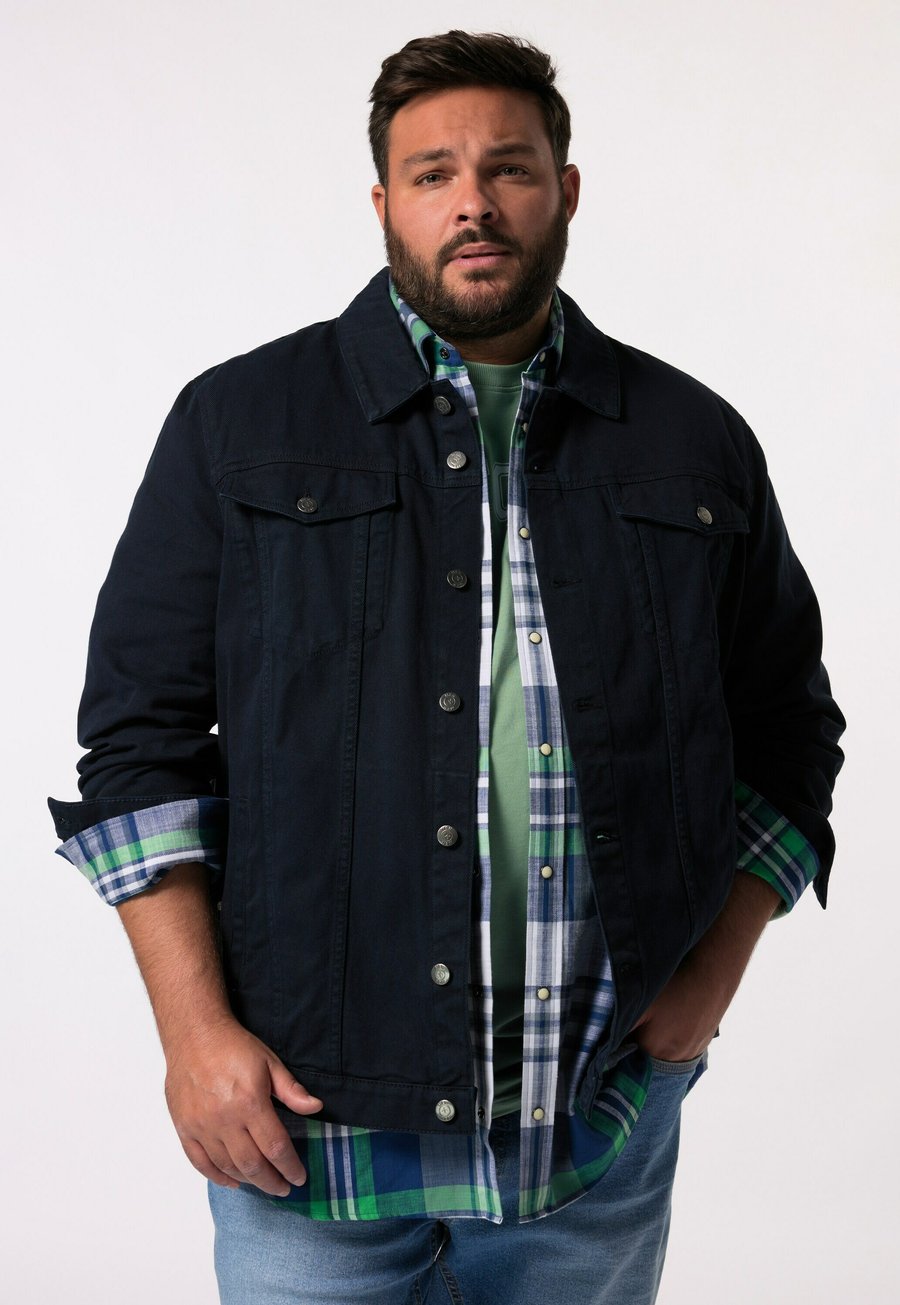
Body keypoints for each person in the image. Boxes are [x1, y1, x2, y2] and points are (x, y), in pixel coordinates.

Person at [48, 29, 845, 1305]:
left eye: (508, 168)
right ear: (384, 203)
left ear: (564, 191)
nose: (472, 201)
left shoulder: (693, 442)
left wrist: (707, 983)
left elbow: (789, 732)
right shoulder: (236, 426)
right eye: (432, 174)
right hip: (304, 1137)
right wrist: (193, 1038)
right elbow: (139, 744)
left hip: (593, 1132)